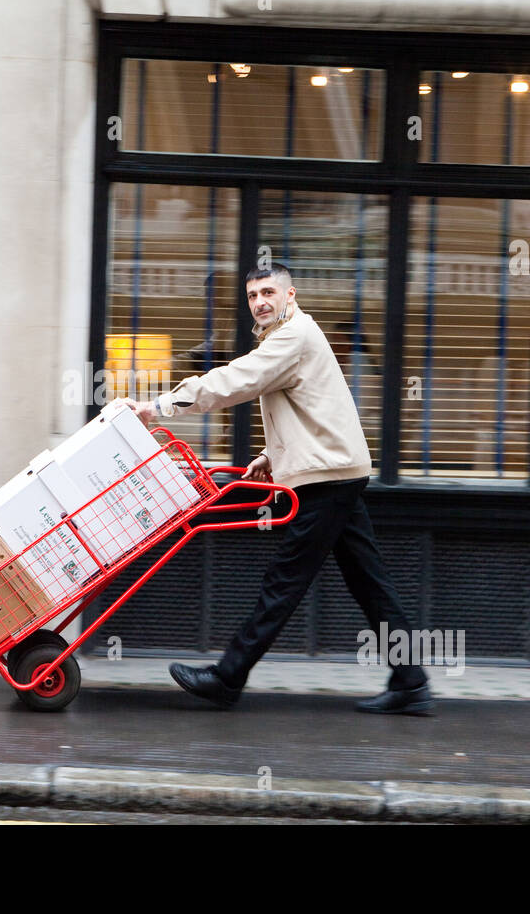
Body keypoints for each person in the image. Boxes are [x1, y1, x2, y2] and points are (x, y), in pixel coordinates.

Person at [123, 263, 432, 715]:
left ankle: (228, 677)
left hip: (328, 478)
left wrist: (159, 406)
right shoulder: (290, 336)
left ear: (291, 295)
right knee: (369, 582)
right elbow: (313, 410)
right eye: (252, 295)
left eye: (268, 292)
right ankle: (411, 681)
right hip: (335, 470)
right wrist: (273, 456)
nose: (260, 301)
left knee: (284, 581)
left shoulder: (294, 336)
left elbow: (237, 380)